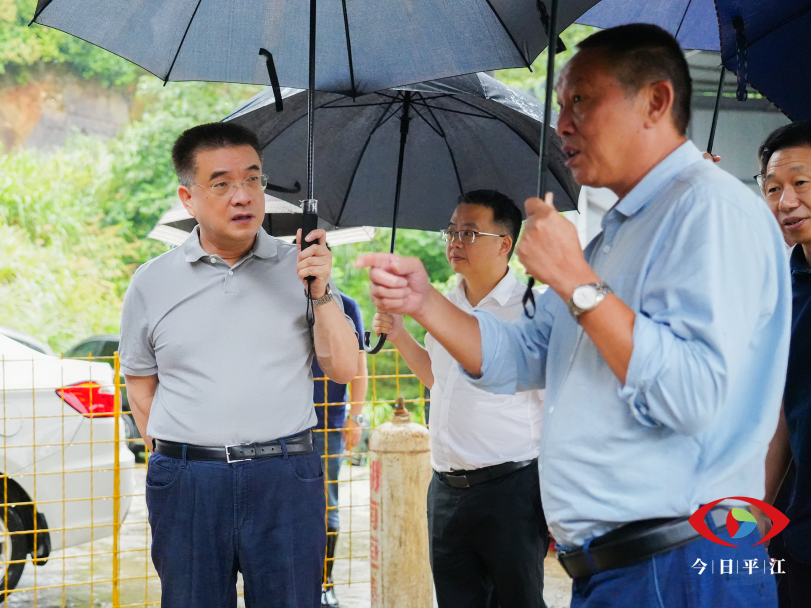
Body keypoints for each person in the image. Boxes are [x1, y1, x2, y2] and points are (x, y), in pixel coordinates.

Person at [357, 23, 791, 608]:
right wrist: (424, 302)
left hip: (678, 563)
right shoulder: (613, 236)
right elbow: (521, 356)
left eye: (582, 99)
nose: (562, 123)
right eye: (562, 104)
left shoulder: (710, 211)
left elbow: (691, 396)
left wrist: (575, 281)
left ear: (655, 102)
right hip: (614, 567)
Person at [120, 122, 359, 608]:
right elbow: (140, 384)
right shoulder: (151, 282)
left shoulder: (301, 267)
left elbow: (343, 368)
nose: (243, 195)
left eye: (253, 179)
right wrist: (174, 459)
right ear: (188, 198)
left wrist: (321, 292)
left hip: (285, 478)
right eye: (222, 183)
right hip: (188, 483)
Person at [373, 190, 548, 608]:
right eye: (451, 231)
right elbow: (438, 379)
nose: (454, 241)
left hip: (511, 490)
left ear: (504, 244)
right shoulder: (444, 303)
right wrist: (399, 334)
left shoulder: (532, 308)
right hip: (446, 490)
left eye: (469, 233)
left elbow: (558, 403)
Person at [755, 121, 811, 606]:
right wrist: (758, 516)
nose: (786, 201)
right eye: (773, 188)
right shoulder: (784, 290)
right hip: (800, 531)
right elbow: (782, 419)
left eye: (801, 183)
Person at [311, 287, 368, 608]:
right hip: (282, 424)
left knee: (327, 504)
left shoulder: (346, 305)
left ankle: (325, 582)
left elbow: (360, 365)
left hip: (328, 423)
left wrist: (354, 417)